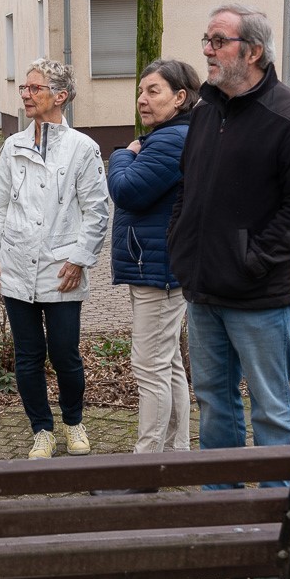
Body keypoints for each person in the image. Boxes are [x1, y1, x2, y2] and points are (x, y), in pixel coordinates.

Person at [167, 4, 290, 484]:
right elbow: (188, 189)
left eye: (218, 41)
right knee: (215, 402)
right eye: (206, 39)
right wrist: (181, 246)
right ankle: (226, 504)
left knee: (270, 406)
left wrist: (252, 260)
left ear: (253, 50)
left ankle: (279, 514)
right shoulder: (203, 113)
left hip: (257, 296)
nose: (206, 51)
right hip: (203, 292)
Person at [0, 58, 110, 459]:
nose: (26, 95)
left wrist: (79, 259)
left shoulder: (82, 149)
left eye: (35, 89)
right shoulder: (13, 145)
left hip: (62, 270)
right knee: (28, 356)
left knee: (66, 353)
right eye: (24, 88)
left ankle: (73, 423)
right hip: (16, 266)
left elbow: (97, 211)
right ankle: (42, 429)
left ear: (60, 95)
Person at [107, 59, 201, 465]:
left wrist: (120, 155)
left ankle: (147, 462)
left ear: (180, 97)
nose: (143, 100)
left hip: (158, 273)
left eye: (154, 91)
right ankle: (177, 450)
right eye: (141, 91)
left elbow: (127, 191)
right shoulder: (172, 136)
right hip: (160, 268)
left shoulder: (169, 141)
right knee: (169, 363)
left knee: (149, 368)